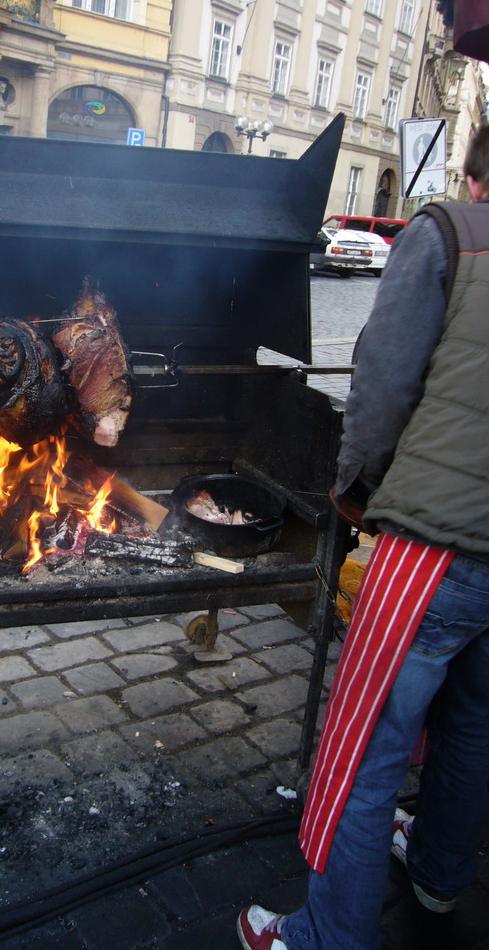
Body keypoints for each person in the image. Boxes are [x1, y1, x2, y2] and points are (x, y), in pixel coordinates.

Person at [236, 123, 489, 950]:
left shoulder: (448, 234)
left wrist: (350, 489)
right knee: (476, 727)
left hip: (437, 544)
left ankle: (325, 938)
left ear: (476, 176)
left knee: (367, 743)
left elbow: (380, 382)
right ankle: (441, 878)